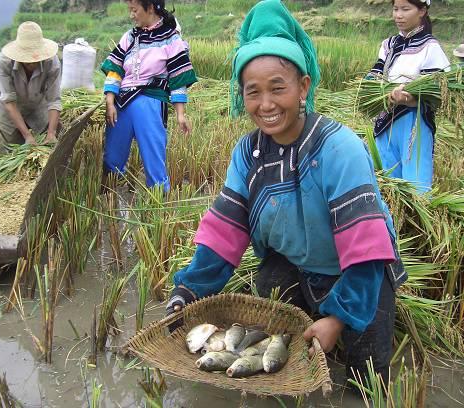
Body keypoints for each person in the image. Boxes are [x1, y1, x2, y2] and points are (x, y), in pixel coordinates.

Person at [166, 0, 406, 385]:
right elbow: (226, 231)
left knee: (367, 378)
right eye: (253, 92)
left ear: (303, 87)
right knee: (274, 304)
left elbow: (365, 250)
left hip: (359, 276)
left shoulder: (338, 149)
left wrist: (339, 318)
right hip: (298, 267)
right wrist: (187, 291)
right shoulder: (247, 153)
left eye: (278, 88)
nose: (266, 104)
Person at [101, 0, 197, 192]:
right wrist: (110, 100)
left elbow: (178, 79)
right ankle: (111, 199)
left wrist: (180, 114)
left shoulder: (171, 39)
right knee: (112, 159)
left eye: (134, 10)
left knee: (154, 161)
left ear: (151, 8)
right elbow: (115, 69)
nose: (131, 15)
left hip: (150, 102)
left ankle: (160, 204)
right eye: (130, 10)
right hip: (122, 104)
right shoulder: (130, 37)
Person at [369, 0, 450, 193]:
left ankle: (417, 222)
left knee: (415, 187)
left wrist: (409, 98)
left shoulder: (430, 48)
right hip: (384, 122)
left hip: (413, 124)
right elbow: (375, 75)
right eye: (396, 9)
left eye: (405, 9)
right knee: (384, 184)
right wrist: (375, 87)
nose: (398, 15)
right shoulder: (388, 45)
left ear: (422, 10)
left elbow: (437, 92)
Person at [0, 21, 61, 145]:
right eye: (27, 59)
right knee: (10, 152)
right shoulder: (4, 62)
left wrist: (51, 133)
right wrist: (27, 136)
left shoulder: (51, 62)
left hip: (37, 110)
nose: (32, 63)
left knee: (42, 151)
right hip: (10, 116)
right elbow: (9, 102)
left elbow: (54, 100)